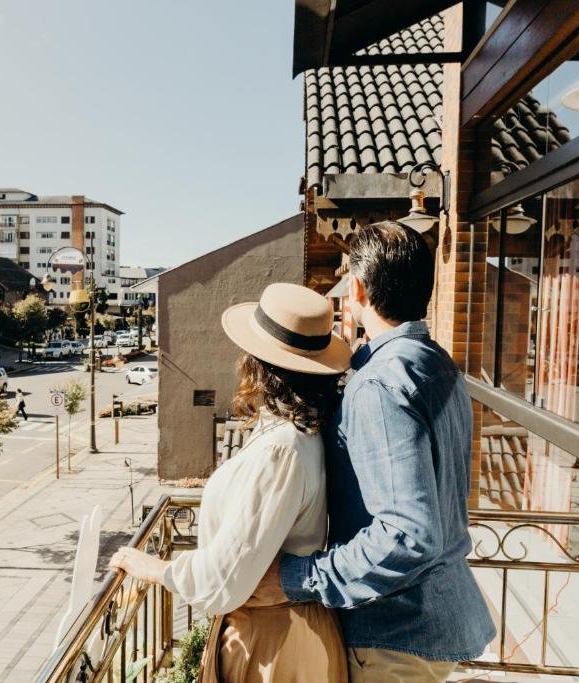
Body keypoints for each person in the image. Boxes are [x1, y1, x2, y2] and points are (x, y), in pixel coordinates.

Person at [250, 222, 495, 682]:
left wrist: (295, 579)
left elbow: (407, 536)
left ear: (358, 288)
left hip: (395, 633)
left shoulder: (380, 384)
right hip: (424, 619)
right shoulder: (436, 361)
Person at [111, 283, 351, 682]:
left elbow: (225, 577)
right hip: (279, 631)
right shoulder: (296, 433)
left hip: (275, 643)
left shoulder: (283, 448)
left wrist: (153, 568)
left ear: (259, 364)